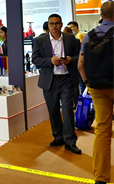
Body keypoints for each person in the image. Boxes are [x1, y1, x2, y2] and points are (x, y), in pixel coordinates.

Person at [78, 1, 114, 184]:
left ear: (101, 14)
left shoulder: (89, 35)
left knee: (102, 130)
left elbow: (81, 64)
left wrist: (88, 84)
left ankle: (100, 181)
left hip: (97, 88)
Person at [32, 13, 81, 154]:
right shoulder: (40, 40)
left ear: (61, 24)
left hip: (67, 79)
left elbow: (79, 55)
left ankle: (70, 141)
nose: (54, 26)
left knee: (67, 110)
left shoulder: (70, 39)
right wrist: (50, 61)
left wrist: (71, 60)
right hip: (50, 80)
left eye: (57, 23)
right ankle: (58, 136)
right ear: (48, 25)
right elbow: (35, 59)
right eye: (51, 23)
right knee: (53, 110)